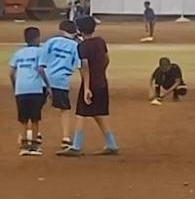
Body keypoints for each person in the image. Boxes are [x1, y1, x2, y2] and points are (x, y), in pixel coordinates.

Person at [68, 16, 118, 157]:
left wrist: (87, 88)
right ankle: (112, 144)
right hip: (102, 82)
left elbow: (85, 67)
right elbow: (106, 59)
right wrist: (100, 72)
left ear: (79, 30)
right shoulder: (100, 42)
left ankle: (76, 146)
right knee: (99, 114)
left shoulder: (82, 46)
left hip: (91, 84)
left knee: (81, 114)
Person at [39, 22, 81, 156]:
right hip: (61, 80)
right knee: (64, 109)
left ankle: (36, 132)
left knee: (39, 106)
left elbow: (41, 61)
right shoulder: (75, 46)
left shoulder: (51, 41)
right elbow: (78, 64)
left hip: (44, 78)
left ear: (61, 30)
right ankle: (65, 137)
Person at [12, 27, 45, 156]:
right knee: (35, 118)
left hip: (21, 90)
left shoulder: (18, 53)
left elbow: (12, 72)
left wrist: (16, 84)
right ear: (37, 38)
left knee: (23, 119)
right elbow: (41, 69)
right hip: (35, 89)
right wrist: (48, 85)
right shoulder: (40, 52)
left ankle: (24, 145)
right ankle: (35, 145)